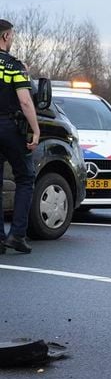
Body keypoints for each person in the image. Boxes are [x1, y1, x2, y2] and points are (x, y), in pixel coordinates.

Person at [0, 20, 37, 254]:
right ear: (5, 37)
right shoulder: (13, 65)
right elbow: (25, 100)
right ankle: (17, 235)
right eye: (12, 36)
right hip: (8, 126)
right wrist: (36, 129)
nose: (12, 39)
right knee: (25, 176)